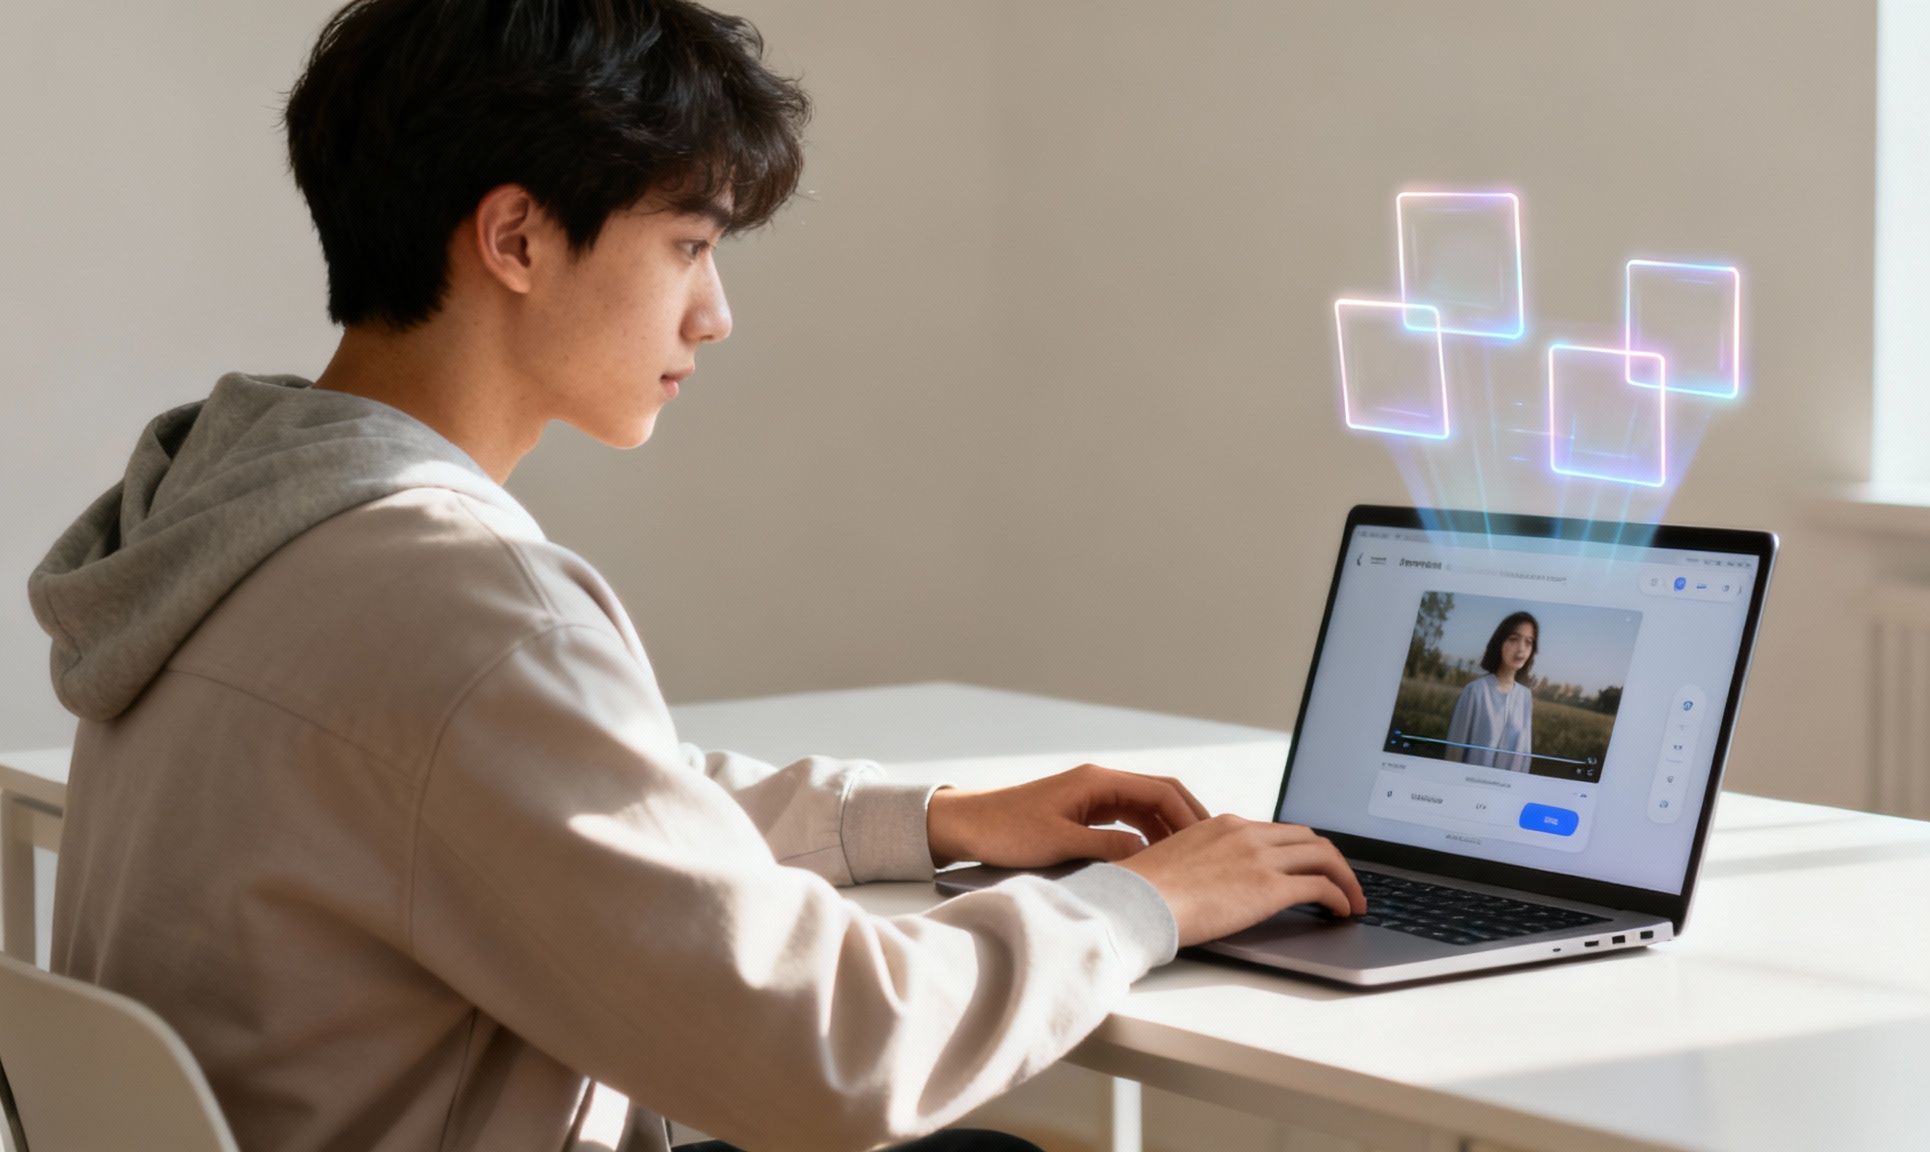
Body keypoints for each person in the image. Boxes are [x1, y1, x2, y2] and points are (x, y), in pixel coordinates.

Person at [23, 2, 1367, 1151]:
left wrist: (937, 821)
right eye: (688, 244)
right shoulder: (460, 605)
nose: (714, 314)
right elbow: (829, 1054)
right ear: (516, 239)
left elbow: (539, 801)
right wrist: (1149, 900)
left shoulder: (229, 516)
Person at [1443, 611, 1539, 772]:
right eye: (1514, 639)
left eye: (1528, 642)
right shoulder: (1474, 691)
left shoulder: (1525, 697)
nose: (1521, 649)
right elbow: (1453, 753)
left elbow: (1525, 755)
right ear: (1500, 642)